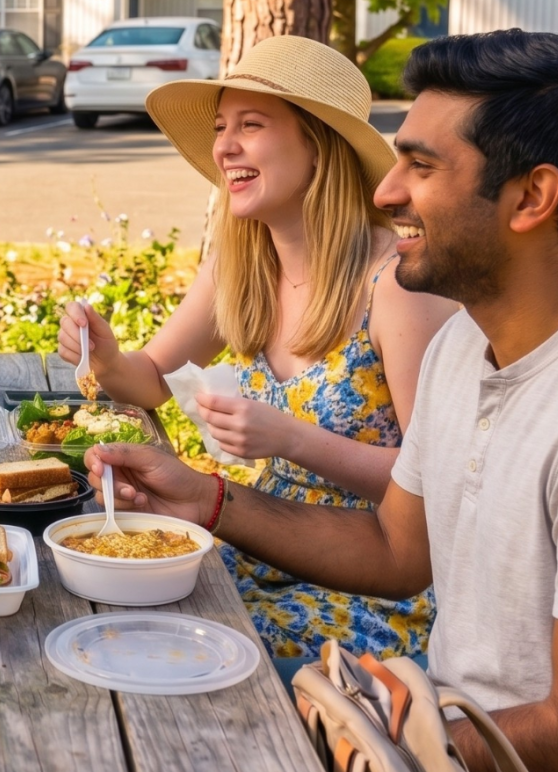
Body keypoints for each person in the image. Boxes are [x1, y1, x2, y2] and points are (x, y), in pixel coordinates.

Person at [88, 30, 558, 771]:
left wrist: (370, 743)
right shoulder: (470, 344)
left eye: (421, 166)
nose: (387, 191)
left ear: (532, 197)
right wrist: (205, 501)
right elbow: (397, 551)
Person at [59, 35, 457, 664]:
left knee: (170, 649)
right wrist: (103, 356)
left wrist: (291, 440)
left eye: (251, 124)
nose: (225, 147)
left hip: (372, 589)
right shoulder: (242, 264)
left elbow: (438, 483)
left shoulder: (397, 286)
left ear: (318, 145)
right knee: (98, 610)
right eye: (221, 127)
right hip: (262, 546)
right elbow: (149, 380)